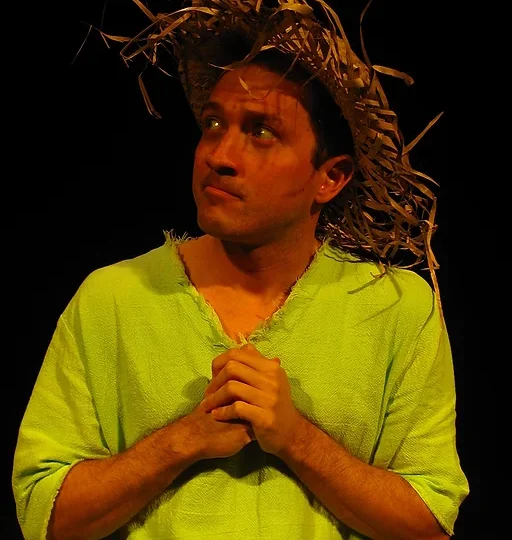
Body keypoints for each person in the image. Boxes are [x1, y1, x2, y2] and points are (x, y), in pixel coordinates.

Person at [12, 1, 469, 539]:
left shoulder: (395, 307)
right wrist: (185, 439)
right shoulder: (112, 299)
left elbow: (429, 525)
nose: (220, 155)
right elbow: (46, 517)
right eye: (213, 124)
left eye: (262, 131)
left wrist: (296, 438)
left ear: (331, 177)